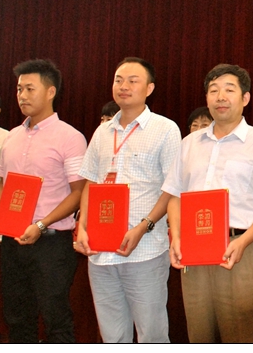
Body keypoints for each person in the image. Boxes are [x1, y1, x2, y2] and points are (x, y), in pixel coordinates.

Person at [164, 64, 253, 343]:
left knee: (243, 335)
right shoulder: (189, 143)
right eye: (213, 90)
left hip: (241, 246)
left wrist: (244, 241)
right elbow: (174, 195)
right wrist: (177, 236)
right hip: (194, 249)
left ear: (245, 98)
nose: (220, 97)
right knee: (199, 334)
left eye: (229, 90)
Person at [75, 57, 181, 343]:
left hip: (144, 249)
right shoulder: (102, 132)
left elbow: (172, 188)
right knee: (111, 335)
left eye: (133, 81)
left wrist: (144, 226)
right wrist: (82, 227)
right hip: (99, 251)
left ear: (149, 89)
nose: (124, 86)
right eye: (118, 80)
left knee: (152, 334)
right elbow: (91, 183)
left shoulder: (165, 129)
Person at [0, 59, 88, 343]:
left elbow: (79, 193)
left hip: (51, 243)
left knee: (56, 318)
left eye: (30, 89)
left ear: (51, 92)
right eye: (19, 89)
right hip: (12, 239)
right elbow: (3, 183)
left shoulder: (70, 137)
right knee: (16, 316)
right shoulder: (13, 136)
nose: (22, 95)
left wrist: (41, 225)